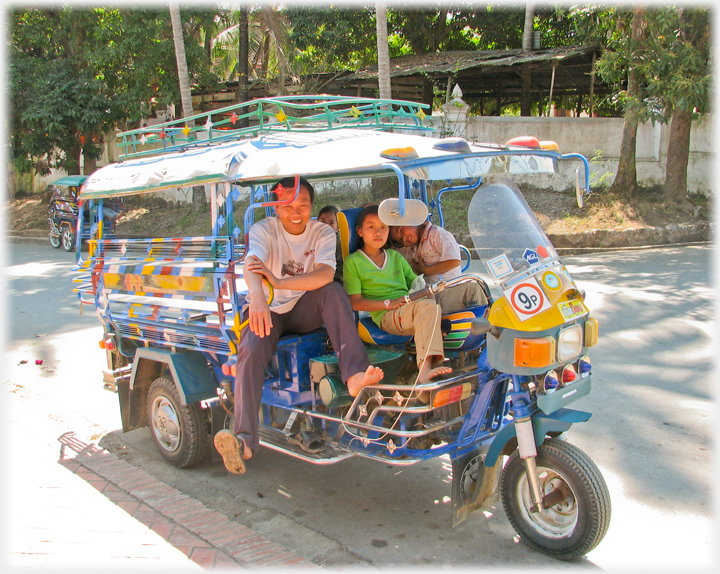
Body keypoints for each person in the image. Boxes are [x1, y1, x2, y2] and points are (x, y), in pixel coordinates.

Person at [213, 177, 384, 475]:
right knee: (250, 351)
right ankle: (245, 440)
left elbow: (325, 275)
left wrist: (279, 280)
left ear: (311, 207)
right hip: (270, 309)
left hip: (306, 308)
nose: (296, 212)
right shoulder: (263, 229)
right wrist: (256, 297)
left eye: (303, 205)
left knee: (333, 292)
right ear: (276, 207)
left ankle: (354, 374)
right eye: (287, 205)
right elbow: (252, 266)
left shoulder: (321, 232)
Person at [343, 204, 452, 388]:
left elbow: (418, 284)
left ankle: (447, 356)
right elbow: (355, 302)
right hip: (386, 315)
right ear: (359, 231)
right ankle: (424, 371)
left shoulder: (395, 257)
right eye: (371, 227)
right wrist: (389, 303)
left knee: (433, 303)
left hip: (409, 307)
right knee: (426, 308)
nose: (378, 232)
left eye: (383, 227)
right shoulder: (353, 262)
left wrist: (430, 297)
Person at [389, 220, 487, 315]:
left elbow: (454, 261)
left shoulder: (437, 234)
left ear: (414, 220)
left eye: (401, 230)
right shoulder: (411, 248)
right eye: (400, 240)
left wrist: (425, 270)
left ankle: (484, 322)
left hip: (451, 288)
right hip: (429, 294)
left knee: (474, 287)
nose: (403, 237)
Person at [317, 205, 343, 285]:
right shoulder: (313, 243)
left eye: (331, 223)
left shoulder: (340, 245)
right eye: (323, 222)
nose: (326, 226)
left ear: (338, 227)